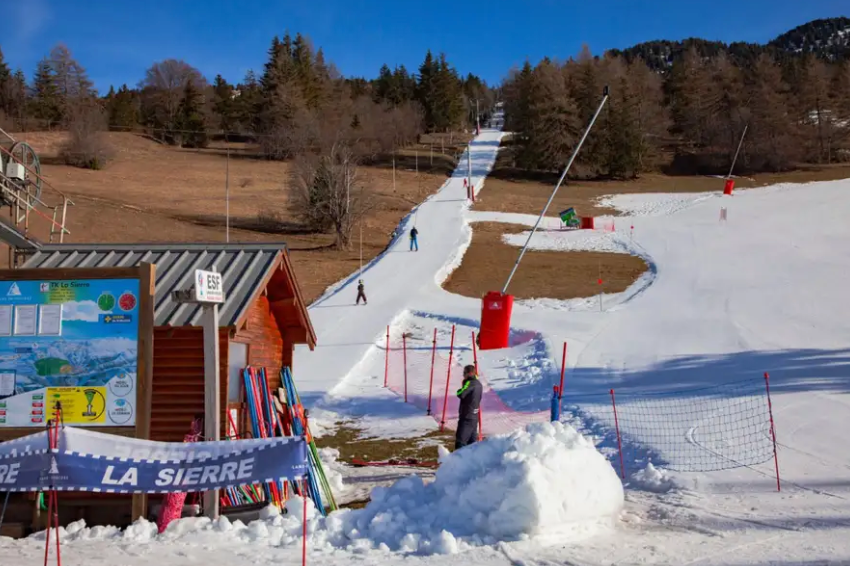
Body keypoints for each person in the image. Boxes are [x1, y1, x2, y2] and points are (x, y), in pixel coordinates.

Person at [455, 364, 482, 450]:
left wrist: (460, 389)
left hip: (466, 416)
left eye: (464, 373)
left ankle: (458, 462)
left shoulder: (470, 383)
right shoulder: (479, 383)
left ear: (469, 373)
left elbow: (461, 394)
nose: (463, 375)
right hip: (474, 416)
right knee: (472, 444)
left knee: (460, 442)